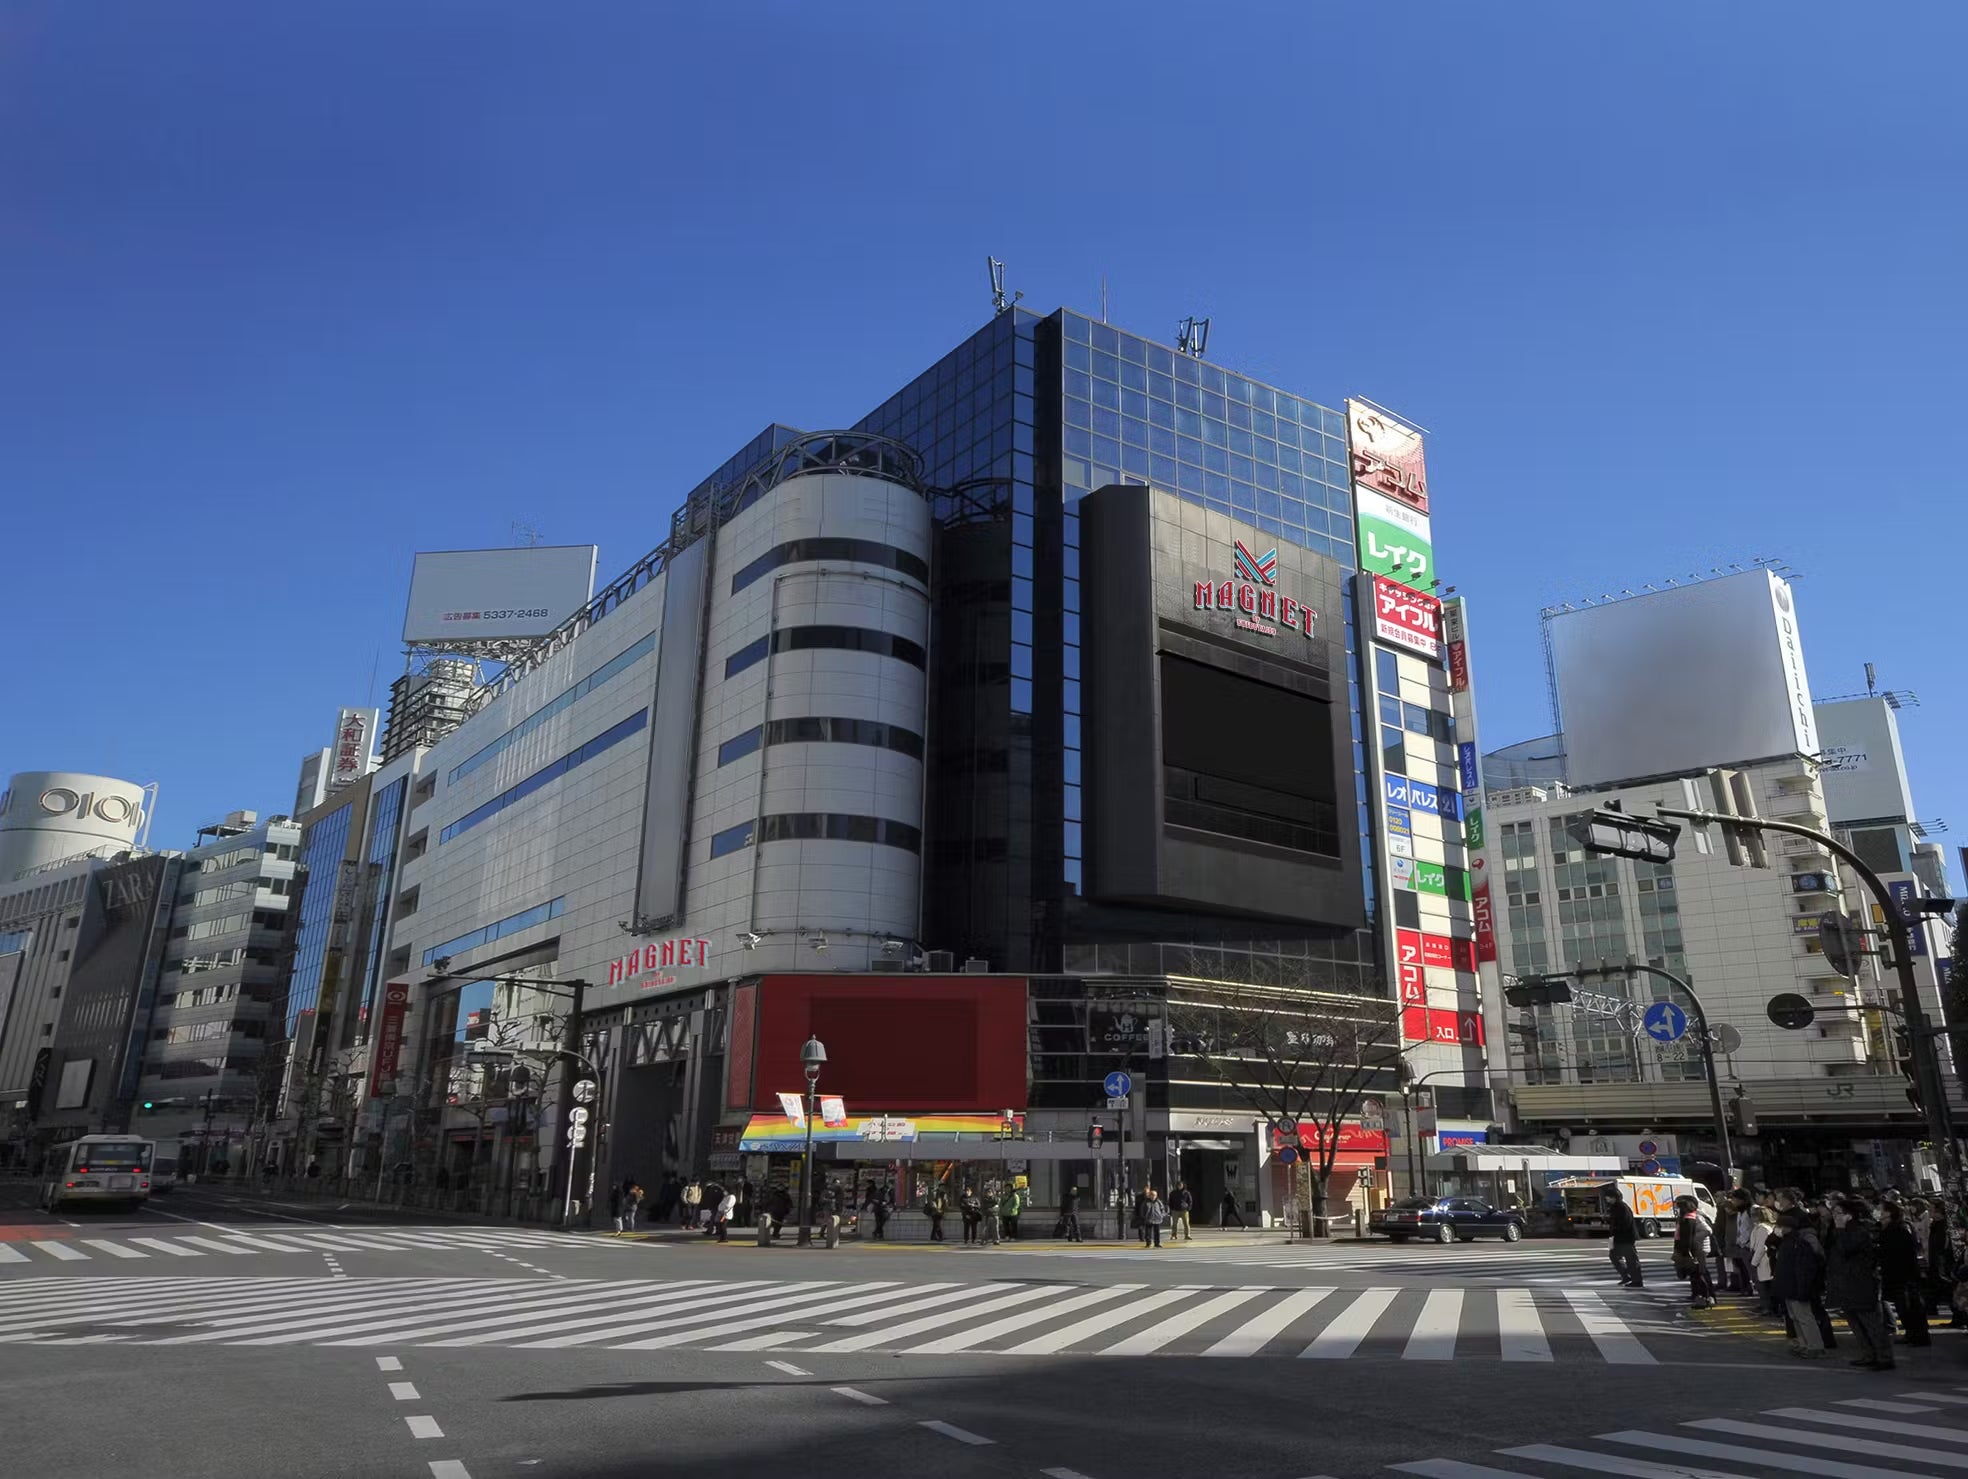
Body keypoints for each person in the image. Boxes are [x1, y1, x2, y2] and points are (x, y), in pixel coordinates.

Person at [1827, 1197, 1894, 1370]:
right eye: (1834, 1213)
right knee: (1856, 1322)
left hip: (1861, 1282)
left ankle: (1884, 1357)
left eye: (1839, 1213)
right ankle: (1868, 1354)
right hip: (1846, 1282)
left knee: (1871, 1322)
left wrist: (1840, 1230)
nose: (1835, 1216)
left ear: (1849, 1215)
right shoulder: (1839, 1231)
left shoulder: (1859, 1230)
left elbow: (1847, 1248)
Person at [1774, 1209, 1829, 1359]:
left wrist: (1802, 1288)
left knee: (1804, 1317)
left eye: (1779, 1226)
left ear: (1787, 1228)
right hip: (1790, 1286)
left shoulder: (1798, 1244)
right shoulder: (1788, 1243)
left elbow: (1803, 1269)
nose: (1776, 1229)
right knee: (1796, 1317)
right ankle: (1805, 1343)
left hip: (1796, 1287)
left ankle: (1815, 1346)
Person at [1880, 1202, 1930, 1348]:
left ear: (1889, 1213)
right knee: (1904, 1306)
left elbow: (1901, 1252)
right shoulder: (1894, 1227)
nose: (1879, 1214)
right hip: (1900, 1273)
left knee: (1909, 1306)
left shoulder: (1899, 1228)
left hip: (1903, 1274)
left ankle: (1918, 1336)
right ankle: (1911, 1333)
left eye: (1882, 1211)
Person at [1673, 1194, 1716, 1308]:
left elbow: (1708, 1230)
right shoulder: (1685, 1218)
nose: (1676, 1209)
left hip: (1699, 1248)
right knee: (1695, 1273)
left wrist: (1694, 1239)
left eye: (1678, 1206)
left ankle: (1707, 1297)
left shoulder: (1695, 1217)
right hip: (1694, 1248)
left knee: (1700, 1273)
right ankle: (1697, 1294)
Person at [1604, 1189, 1643, 1288]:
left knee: (1631, 1259)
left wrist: (1615, 1230)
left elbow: (1625, 1223)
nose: (1606, 1199)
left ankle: (1636, 1280)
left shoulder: (1621, 1207)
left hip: (1625, 1237)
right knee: (1614, 1256)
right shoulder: (1615, 1207)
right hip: (1617, 1237)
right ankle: (1626, 1276)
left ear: (1613, 1197)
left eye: (1607, 1197)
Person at [1748, 1205, 1777, 1315]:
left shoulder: (1763, 1229)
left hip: (1763, 1260)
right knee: (1764, 1284)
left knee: (1764, 1285)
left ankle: (1767, 1307)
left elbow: (1761, 1247)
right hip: (1763, 1259)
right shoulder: (1762, 1227)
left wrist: (1754, 1262)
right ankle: (1766, 1306)